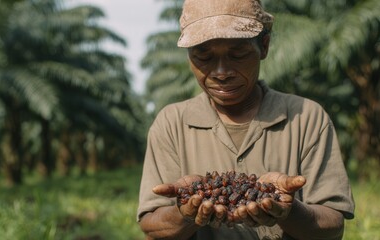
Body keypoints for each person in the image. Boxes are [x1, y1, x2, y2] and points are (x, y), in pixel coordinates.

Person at [137, 0, 355, 239]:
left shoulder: (307, 118)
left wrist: (288, 212)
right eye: (203, 57)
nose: (221, 72)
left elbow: (333, 224)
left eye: (237, 54)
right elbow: (152, 225)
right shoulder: (171, 123)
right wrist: (186, 212)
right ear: (189, 57)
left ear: (264, 46)